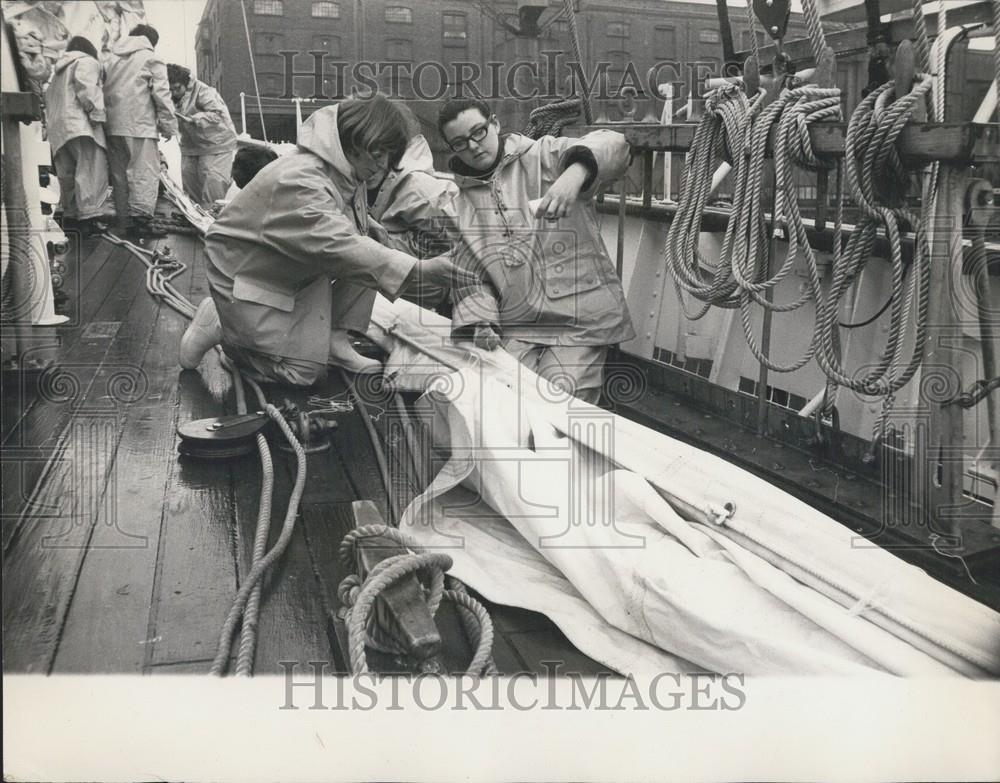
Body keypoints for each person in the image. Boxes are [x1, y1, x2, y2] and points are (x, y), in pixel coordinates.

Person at [179, 95, 454, 384]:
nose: (382, 165)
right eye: (377, 152)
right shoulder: (301, 179)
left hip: (284, 266)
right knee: (302, 373)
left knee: (369, 244)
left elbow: (345, 236)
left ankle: (336, 338)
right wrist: (421, 269)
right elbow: (339, 245)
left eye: (388, 157)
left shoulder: (343, 168)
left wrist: (370, 228)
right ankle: (223, 326)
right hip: (246, 276)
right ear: (355, 136)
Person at [438, 98, 635, 404]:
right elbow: (471, 276)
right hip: (518, 325)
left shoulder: (544, 155)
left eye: (478, 132)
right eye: (461, 142)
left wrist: (576, 173)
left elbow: (616, 145)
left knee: (558, 401)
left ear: (495, 124)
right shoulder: (456, 206)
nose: (474, 146)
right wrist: (482, 321)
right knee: (504, 401)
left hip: (578, 318)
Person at [366, 127, 457, 313]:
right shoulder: (355, 183)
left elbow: (469, 237)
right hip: (402, 292)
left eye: (377, 156)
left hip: (442, 291)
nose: (370, 166)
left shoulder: (419, 188)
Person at [103, 24, 176, 240]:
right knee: (143, 173)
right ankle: (142, 222)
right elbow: (161, 94)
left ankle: (124, 223)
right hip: (139, 124)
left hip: (112, 126)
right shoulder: (151, 58)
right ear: (151, 41)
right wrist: (168, 124)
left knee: (119, 176)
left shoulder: (111, 59)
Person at [44, 36, 109, 238]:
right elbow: (87, 88)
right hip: (80, 126)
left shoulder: (57, 74)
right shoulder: (86, 61)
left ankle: (71, 217)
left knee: (67, 175)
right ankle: (89, 219)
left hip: (58, 131)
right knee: (90, 170)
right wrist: (98, 114)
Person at [166, 63, 237, 208]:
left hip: (217, 144)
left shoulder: (204, 91)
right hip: (191, 145)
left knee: (212, 182)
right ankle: (194, 216)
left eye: (177, 88)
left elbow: (218, 114)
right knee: (190, 183)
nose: (174, 93)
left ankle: (214, 218)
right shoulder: (168, 96)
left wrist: (195, 119)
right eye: (170, 89)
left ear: (185, 84)